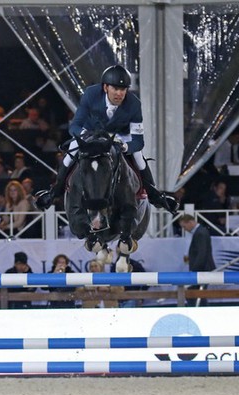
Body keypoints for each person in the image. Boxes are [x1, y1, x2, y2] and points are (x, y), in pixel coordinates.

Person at [34, 65, 178, 214]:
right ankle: (54, 193)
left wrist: (126, 147)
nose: (119, 93)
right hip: (90, 133)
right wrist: (85, 136)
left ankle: (155, 196)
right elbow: (75, 125)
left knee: (138, 156)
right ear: (105, 87)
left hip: (119, 135)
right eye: (115, 89)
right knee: (69, 156)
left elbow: (138, 141)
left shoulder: (134, 104)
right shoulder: (90, 94)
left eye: (123, 89)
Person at [178, 213, 216, 307]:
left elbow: (202, 254)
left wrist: (194, 270)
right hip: (202, 269)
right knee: (198, 294)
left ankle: (200, 312)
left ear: (190, 222)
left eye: (184, 226)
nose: (184, 229)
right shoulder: (201, 232)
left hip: (201, 270)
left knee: (194, 294)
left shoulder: (200, 233)